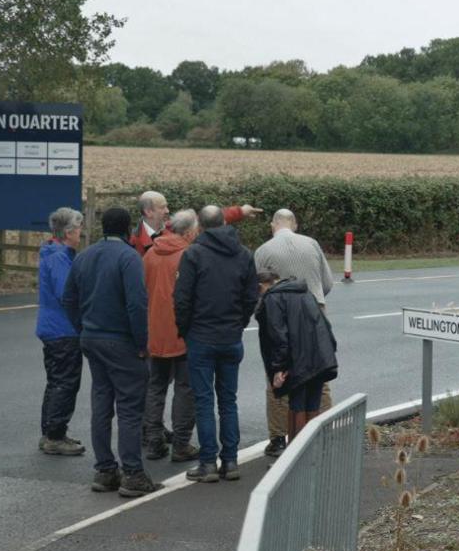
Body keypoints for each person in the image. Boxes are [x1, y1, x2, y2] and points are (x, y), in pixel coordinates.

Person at [61, 207, 159, 498]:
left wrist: (82, 327)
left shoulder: (85, 256)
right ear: (128, 230)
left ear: (102, 227)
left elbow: (69, 298)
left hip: (92, 337)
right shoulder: (129, 257)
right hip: (121, 340)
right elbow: (136, 304)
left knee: (101, 402)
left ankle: (105, 470)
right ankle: (132, 473)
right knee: (129, 407)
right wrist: (142, 344)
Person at [174, 205, 258, 483]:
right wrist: (238, 324)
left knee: (203, 401)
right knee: (228, 401)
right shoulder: (244, 254)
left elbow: (182, 298)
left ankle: (208, 462)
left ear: (199, 226)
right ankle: (231, 460)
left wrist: (184, 330)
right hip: (230, 336)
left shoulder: (194, 254)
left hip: (201, 335)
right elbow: (250, 297)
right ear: (224, 222)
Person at [253, 208, 335, 456]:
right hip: (313, 311)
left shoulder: (263, 251)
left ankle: (278, 437)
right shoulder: (312, 244)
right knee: (317, 372)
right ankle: (323, 427)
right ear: (295, 224)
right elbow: (328, 283)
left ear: (273, 225)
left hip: (277, 313)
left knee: (278, 374)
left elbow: (257, 286)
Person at [142, 208, 201, 463]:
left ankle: (153, 440)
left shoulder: (150, 254)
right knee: (185, 388)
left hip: (154, 330)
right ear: (189, 232)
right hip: (182, 331)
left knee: (155, 386)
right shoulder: (189, 256)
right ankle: (181, 443)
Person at [254, 268, 338, 440]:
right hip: (321, 356)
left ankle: (296, 457)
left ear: (262, 286)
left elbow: (278, 336)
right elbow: (324, 324)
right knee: (313, 404)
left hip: (297, 361)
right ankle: (313, 453)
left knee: (297, 406)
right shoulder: (304, 291)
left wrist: (278, 368)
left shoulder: (272, 298)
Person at [35, 207, 86, 456]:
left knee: (56, 381)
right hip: (63, 328)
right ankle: (55, 434)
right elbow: (67, 293)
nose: (81, 233)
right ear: (68, 232)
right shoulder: (59, 257)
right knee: (65, 382)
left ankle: (51, 431)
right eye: (78, 228)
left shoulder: (54, 252)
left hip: (54, 326)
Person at [130, 190, 264, 254]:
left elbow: (208, 219)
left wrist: (241, 211)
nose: (167, 210)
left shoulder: (174, 227)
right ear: (148, 212)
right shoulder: (133, 242)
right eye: (162, 207)